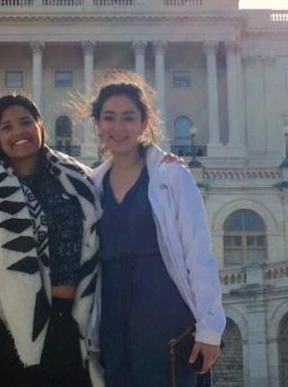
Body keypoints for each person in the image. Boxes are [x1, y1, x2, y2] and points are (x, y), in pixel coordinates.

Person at [0, 94, 101, 387]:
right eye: (6, 127)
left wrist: (159, 162)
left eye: (25, 122)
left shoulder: (79, 180)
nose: (18, 132)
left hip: (71, 321)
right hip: (6, 330)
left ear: (40, 126)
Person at [86, 80, 225, 387]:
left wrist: (210, 329)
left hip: (165, 315)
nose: (118, 127)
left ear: (144, 124)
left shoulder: (172, 175)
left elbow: (198, 252)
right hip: (112, 318)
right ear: (97, 124)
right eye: (109, 117)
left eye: (128, 117)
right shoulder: (92, 185)